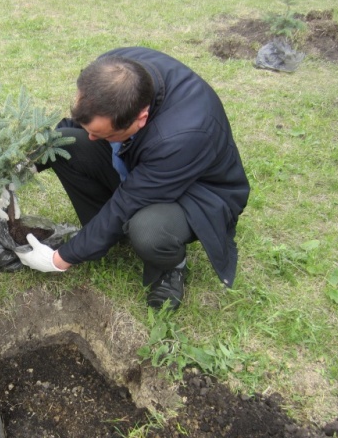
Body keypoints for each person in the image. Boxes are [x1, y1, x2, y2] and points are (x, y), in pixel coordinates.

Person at [18, 47, 250, 312]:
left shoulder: (182, 136)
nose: (92, 138)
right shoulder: (114, 69)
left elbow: (128, 202)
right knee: (67, 144)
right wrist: (25, 167)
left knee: (147, 229)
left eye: (102, 134)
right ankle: (106, 236)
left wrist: (59, 259)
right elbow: (74, 128)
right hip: (146, 163)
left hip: (198, 192)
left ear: (141, 119)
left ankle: (170, 266)